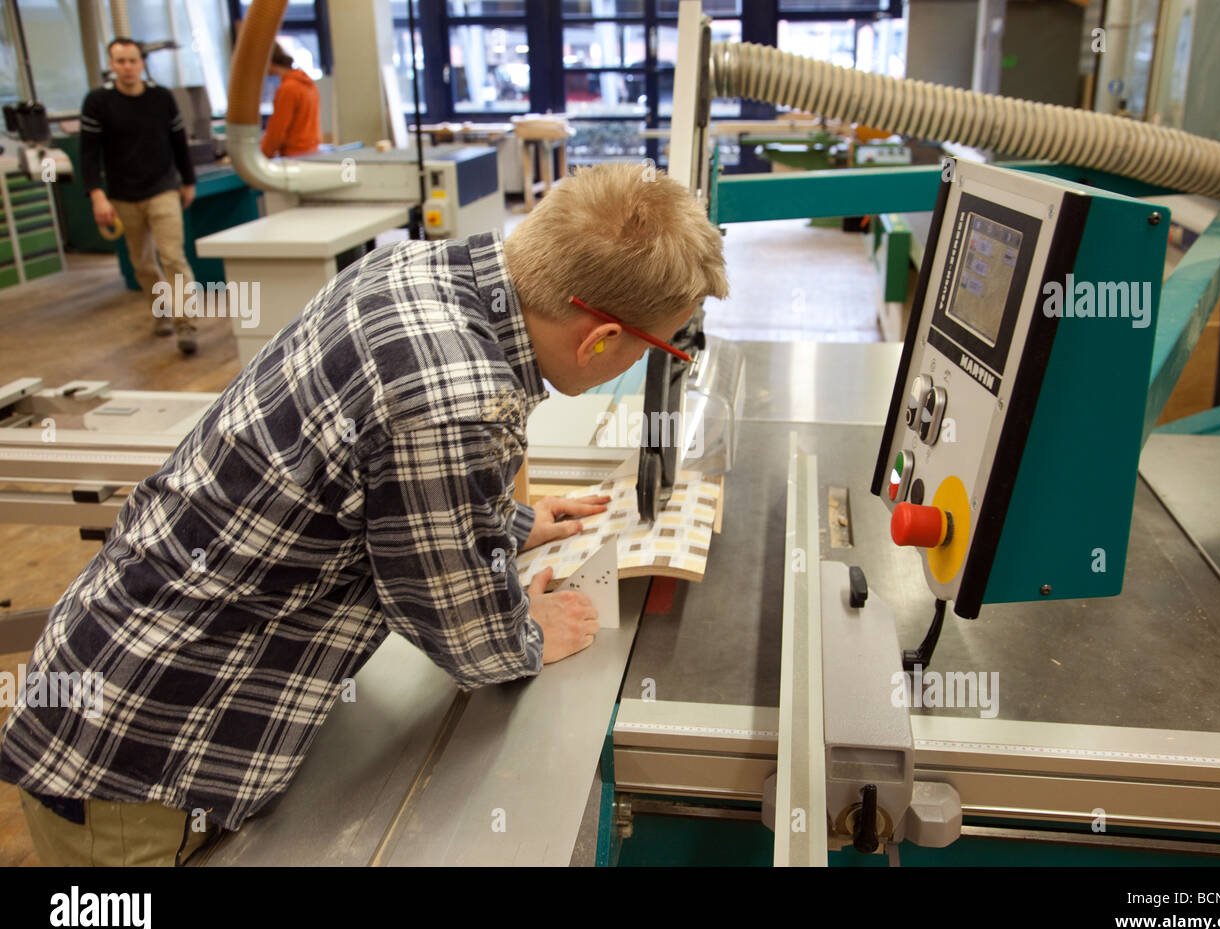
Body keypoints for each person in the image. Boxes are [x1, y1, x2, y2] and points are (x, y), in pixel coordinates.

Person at [0, 162, 728, 865]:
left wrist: (508, 523)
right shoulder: (459, 398)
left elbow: (371, 487)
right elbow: (468, 635)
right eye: (663, 347)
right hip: (142, 762)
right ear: (600, 339)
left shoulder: (415, 269)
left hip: (112, 668)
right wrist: (525, 630)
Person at [82, 37, 200, 354]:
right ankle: (161, 311)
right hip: (122, 195)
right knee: (143, 264)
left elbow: (179, 142)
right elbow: (89, 154)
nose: (127, 67)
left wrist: (188, 181)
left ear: (142, 63)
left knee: (173, 257)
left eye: (133, 60)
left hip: (163, 189)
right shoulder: (97, 103)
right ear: (112, 65)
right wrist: (97, 195)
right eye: (120, 61)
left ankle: (186, 323)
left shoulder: (161, 98)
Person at [260, 43, 321, 159]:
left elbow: (277, 131)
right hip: (312, 153)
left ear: (269, 62)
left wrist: (262, 157)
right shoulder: (308, 84)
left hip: (294, 157)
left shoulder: (288, 89)